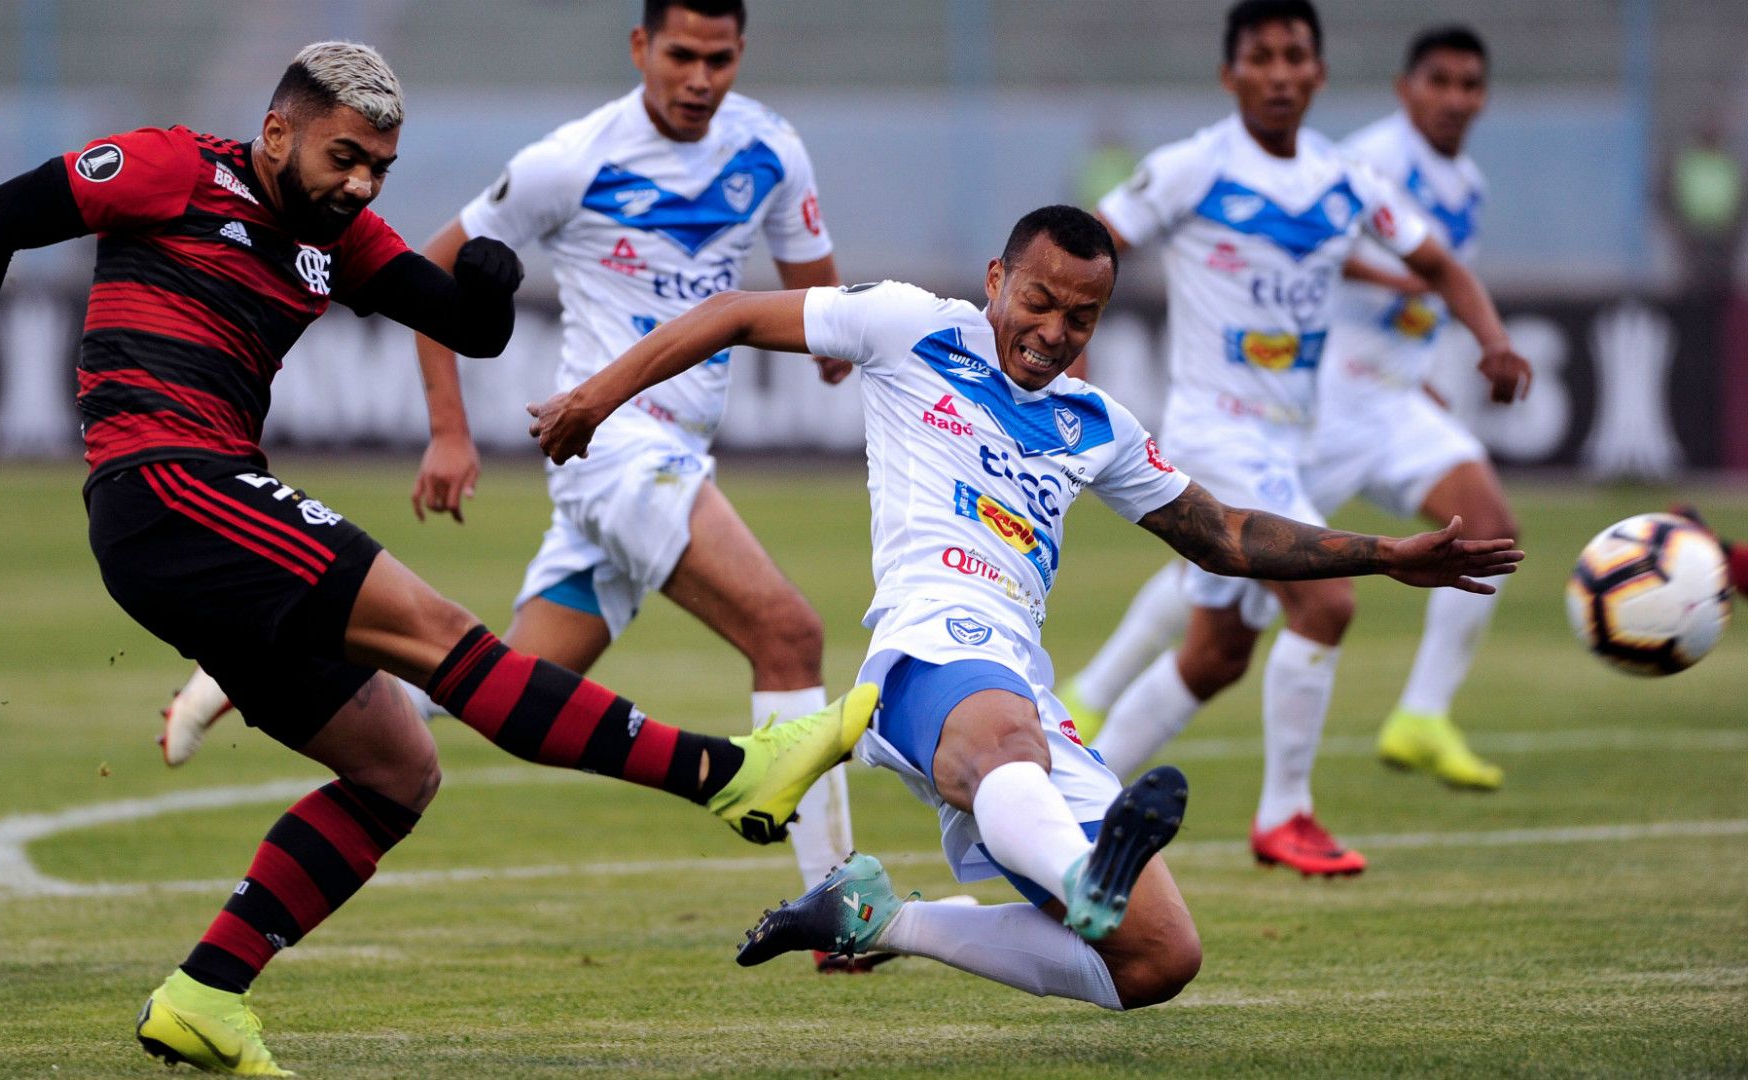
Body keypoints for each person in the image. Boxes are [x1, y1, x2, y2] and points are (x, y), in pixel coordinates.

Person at [0, 41, 870, 1076]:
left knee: (397, 769)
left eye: (380, 165)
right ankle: (726, 774)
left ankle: (204, 995)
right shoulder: (172, 168)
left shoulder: (347, 238)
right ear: (277, 133)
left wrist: (495, 286)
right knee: (443, 638)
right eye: (344, 157)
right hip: (171, 485)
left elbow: (463, 322)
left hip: (197, 515)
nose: (362, 184)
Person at [528, 205, 1522, 1010]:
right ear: (997, 280)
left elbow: (1224, 536)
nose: (1051, 333)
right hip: (928, 651)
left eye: (1081, 319)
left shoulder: (1098, 425)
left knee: (1160, 960)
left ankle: (882, 919)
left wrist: (1389, 554)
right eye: (1038, 301)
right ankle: (1084, 882)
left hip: (1023, 692)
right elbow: (736, 314)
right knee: (1009, 747)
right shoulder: (911, 326)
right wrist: (594, 397)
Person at [155, 0, 866, 952]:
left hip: (678, 453)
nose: (701, 78)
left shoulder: (771, 149)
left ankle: (258, 672)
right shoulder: (569, 161)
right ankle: (838, 913)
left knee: (505, 686)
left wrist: (839, 346)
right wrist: (449, 432)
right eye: (682, 55)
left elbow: (814, 291)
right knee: (789, 631)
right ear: (640, 49)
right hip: (610, 447)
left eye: (721, 59)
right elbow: (428, 271)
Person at [1056, 0, 1533, 877]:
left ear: (1318, 73)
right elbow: (1089, 241)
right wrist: (1071, 345)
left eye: (1295, 58)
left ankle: (1075, 805)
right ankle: (1285, 816)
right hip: (1213, 432)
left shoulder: (1344, 179)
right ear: (1230, 73)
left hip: (1288, 437)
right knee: (1328, 601)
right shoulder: (1195, 167)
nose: (1280, 74)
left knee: (1215, 657)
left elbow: (1440, 265)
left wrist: (1491, 340)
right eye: (1262, 58)